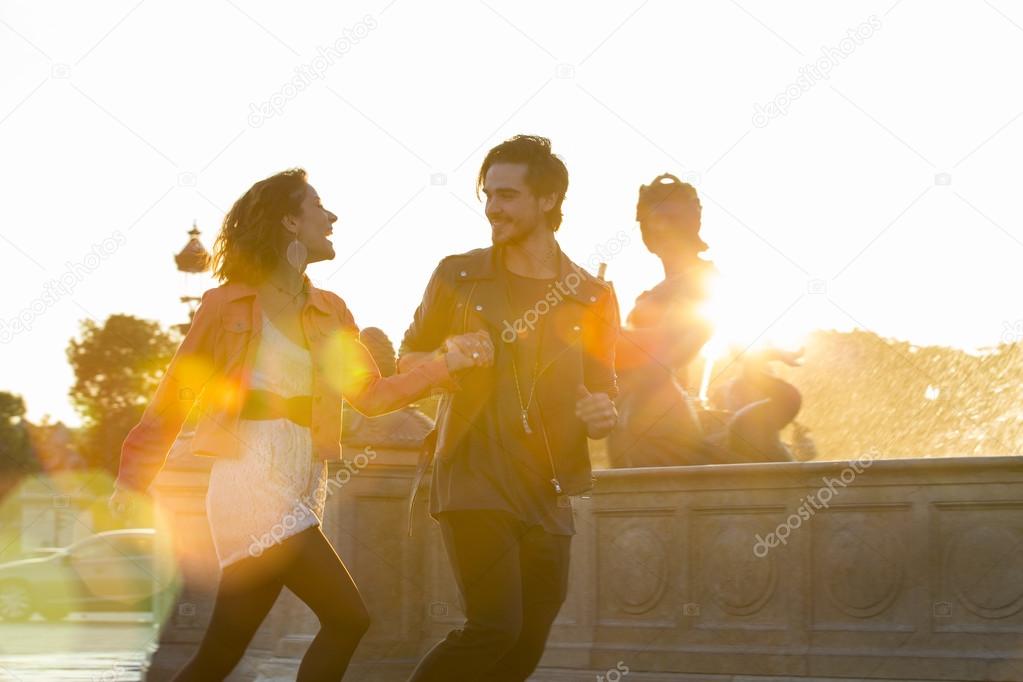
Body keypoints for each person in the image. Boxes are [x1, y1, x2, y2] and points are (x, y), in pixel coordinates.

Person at [108, 168, 491, 682]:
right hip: (248, 479)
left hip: (304, 481)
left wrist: (446, 369)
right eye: (319, 207)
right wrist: (134, 474)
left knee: (220, 653)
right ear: (289, 220)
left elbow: (371, 397)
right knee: (348, 618)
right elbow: (176, 395)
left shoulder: (331, 312)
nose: (331, 217)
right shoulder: (226, 305)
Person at [399, 135, 619, 681]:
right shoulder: (458, 275)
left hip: (548, 483)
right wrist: (445, 357)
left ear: (548, 200)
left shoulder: (592, 295)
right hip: (472, 473)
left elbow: (603, 387)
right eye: (488, 195)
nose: (493, 208)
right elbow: (406, 363)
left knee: (527, 639)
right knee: (494, 626)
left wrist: (604, 412)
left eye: (508, 195)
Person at [608, 173, 717, 468]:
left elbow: (668, 349)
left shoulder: (701, 281)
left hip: (667, 428)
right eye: (648, 223)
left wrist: (606, 334)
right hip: (634, 423)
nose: (654, 231)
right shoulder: (661, 289)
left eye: (665, 220)